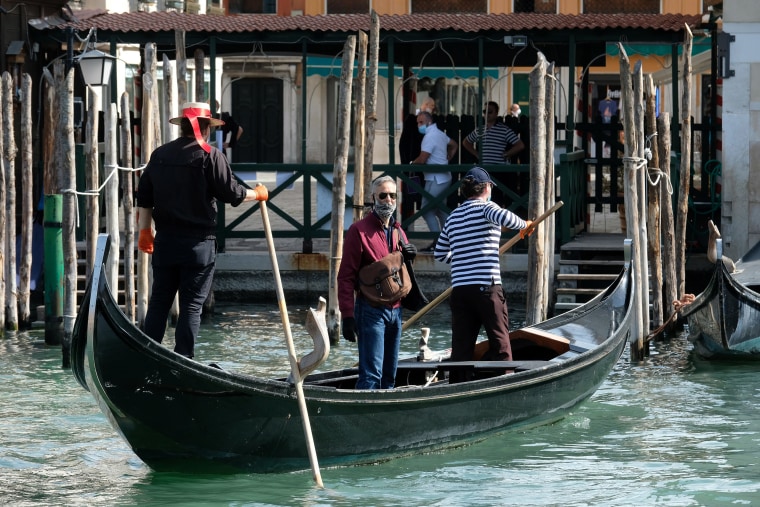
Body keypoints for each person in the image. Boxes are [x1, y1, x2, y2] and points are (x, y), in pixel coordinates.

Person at [136, 101, 268, 359]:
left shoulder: (159, 154)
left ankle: (147, 357)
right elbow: (232, 193)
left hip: (165, 242)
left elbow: (144, 197)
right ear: (206, 127)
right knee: (191, 307)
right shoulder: (210, 155)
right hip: (198, 246)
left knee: (160, 302)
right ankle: (184, 359)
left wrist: (145, 231)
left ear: (182, 126)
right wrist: (258, 194)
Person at [433, 167, 534, 383]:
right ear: (487, 187)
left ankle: (457, 388)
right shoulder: (487, 208)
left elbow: (440, 253)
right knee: (500, 341)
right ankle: (504, 385)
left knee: (461, 347)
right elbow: (508, 218)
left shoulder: (453, 217)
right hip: (486, 289)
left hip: (460, 290)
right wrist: (525, 225)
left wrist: (462, 258)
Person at [337, 176, 417, 390]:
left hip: (396, 311)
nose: (388, 200)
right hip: (370, 310)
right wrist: (347, 316)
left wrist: (410, 255)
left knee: (390, 375)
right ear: (374, 198)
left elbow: (403, 270)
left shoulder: (399, 231)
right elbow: (345, 276)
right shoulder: (359, 230)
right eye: (383, 195)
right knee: (371, 375)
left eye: (392, 195)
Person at [410, 110, 458, 252]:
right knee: (440, 210)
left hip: (436, 179)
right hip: (442, 177)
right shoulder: (440, 134)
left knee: (426, 209)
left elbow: (423, 158)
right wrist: (449, 156)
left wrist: (411, 164)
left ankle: (438, 241)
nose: (419, 125)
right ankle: (449, 240)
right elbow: (454, 144)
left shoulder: (429, 137)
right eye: (418, 122)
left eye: (421, 122)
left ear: (429, 122)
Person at [462, 101, 525, 206]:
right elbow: (466, 142)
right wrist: (476, 154)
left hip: (498, 169)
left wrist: (507, 154)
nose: (487, 114)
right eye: (484, 112)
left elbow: (520, 145)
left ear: (496, 114)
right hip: (484, 169)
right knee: (482, 197)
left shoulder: (504, 130)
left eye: (490, 112)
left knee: (498, 198)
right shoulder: (480, 130)